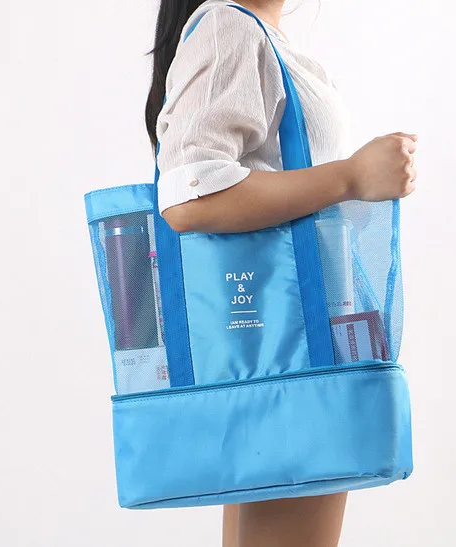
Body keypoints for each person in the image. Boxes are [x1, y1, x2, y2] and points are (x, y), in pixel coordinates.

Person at [145, 1, 417, 546]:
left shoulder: (258, 35)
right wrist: (350, 178)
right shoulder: (230, 28)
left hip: (287, 343)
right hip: (291, 347)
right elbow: (189, 196)